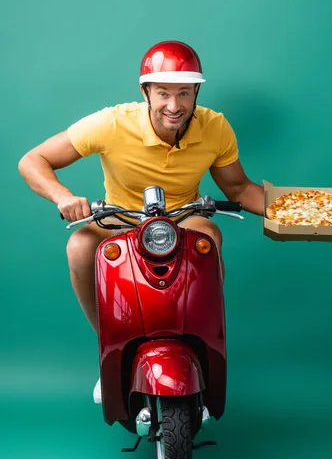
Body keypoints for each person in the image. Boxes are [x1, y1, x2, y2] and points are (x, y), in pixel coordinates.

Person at [18, 40, 265, 403]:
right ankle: (112, 352)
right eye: (163, 93)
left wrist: (298, 210)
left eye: (184, 93)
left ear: (196, 91)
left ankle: (199, 347)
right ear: (145, 91)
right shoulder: (111, 123)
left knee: (208, 238)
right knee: (80, 245)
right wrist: (63, 197)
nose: (174, 105)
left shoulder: (216, 127)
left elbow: (240, 188)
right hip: (119, 218)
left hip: (183, 217)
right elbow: (33, 159)